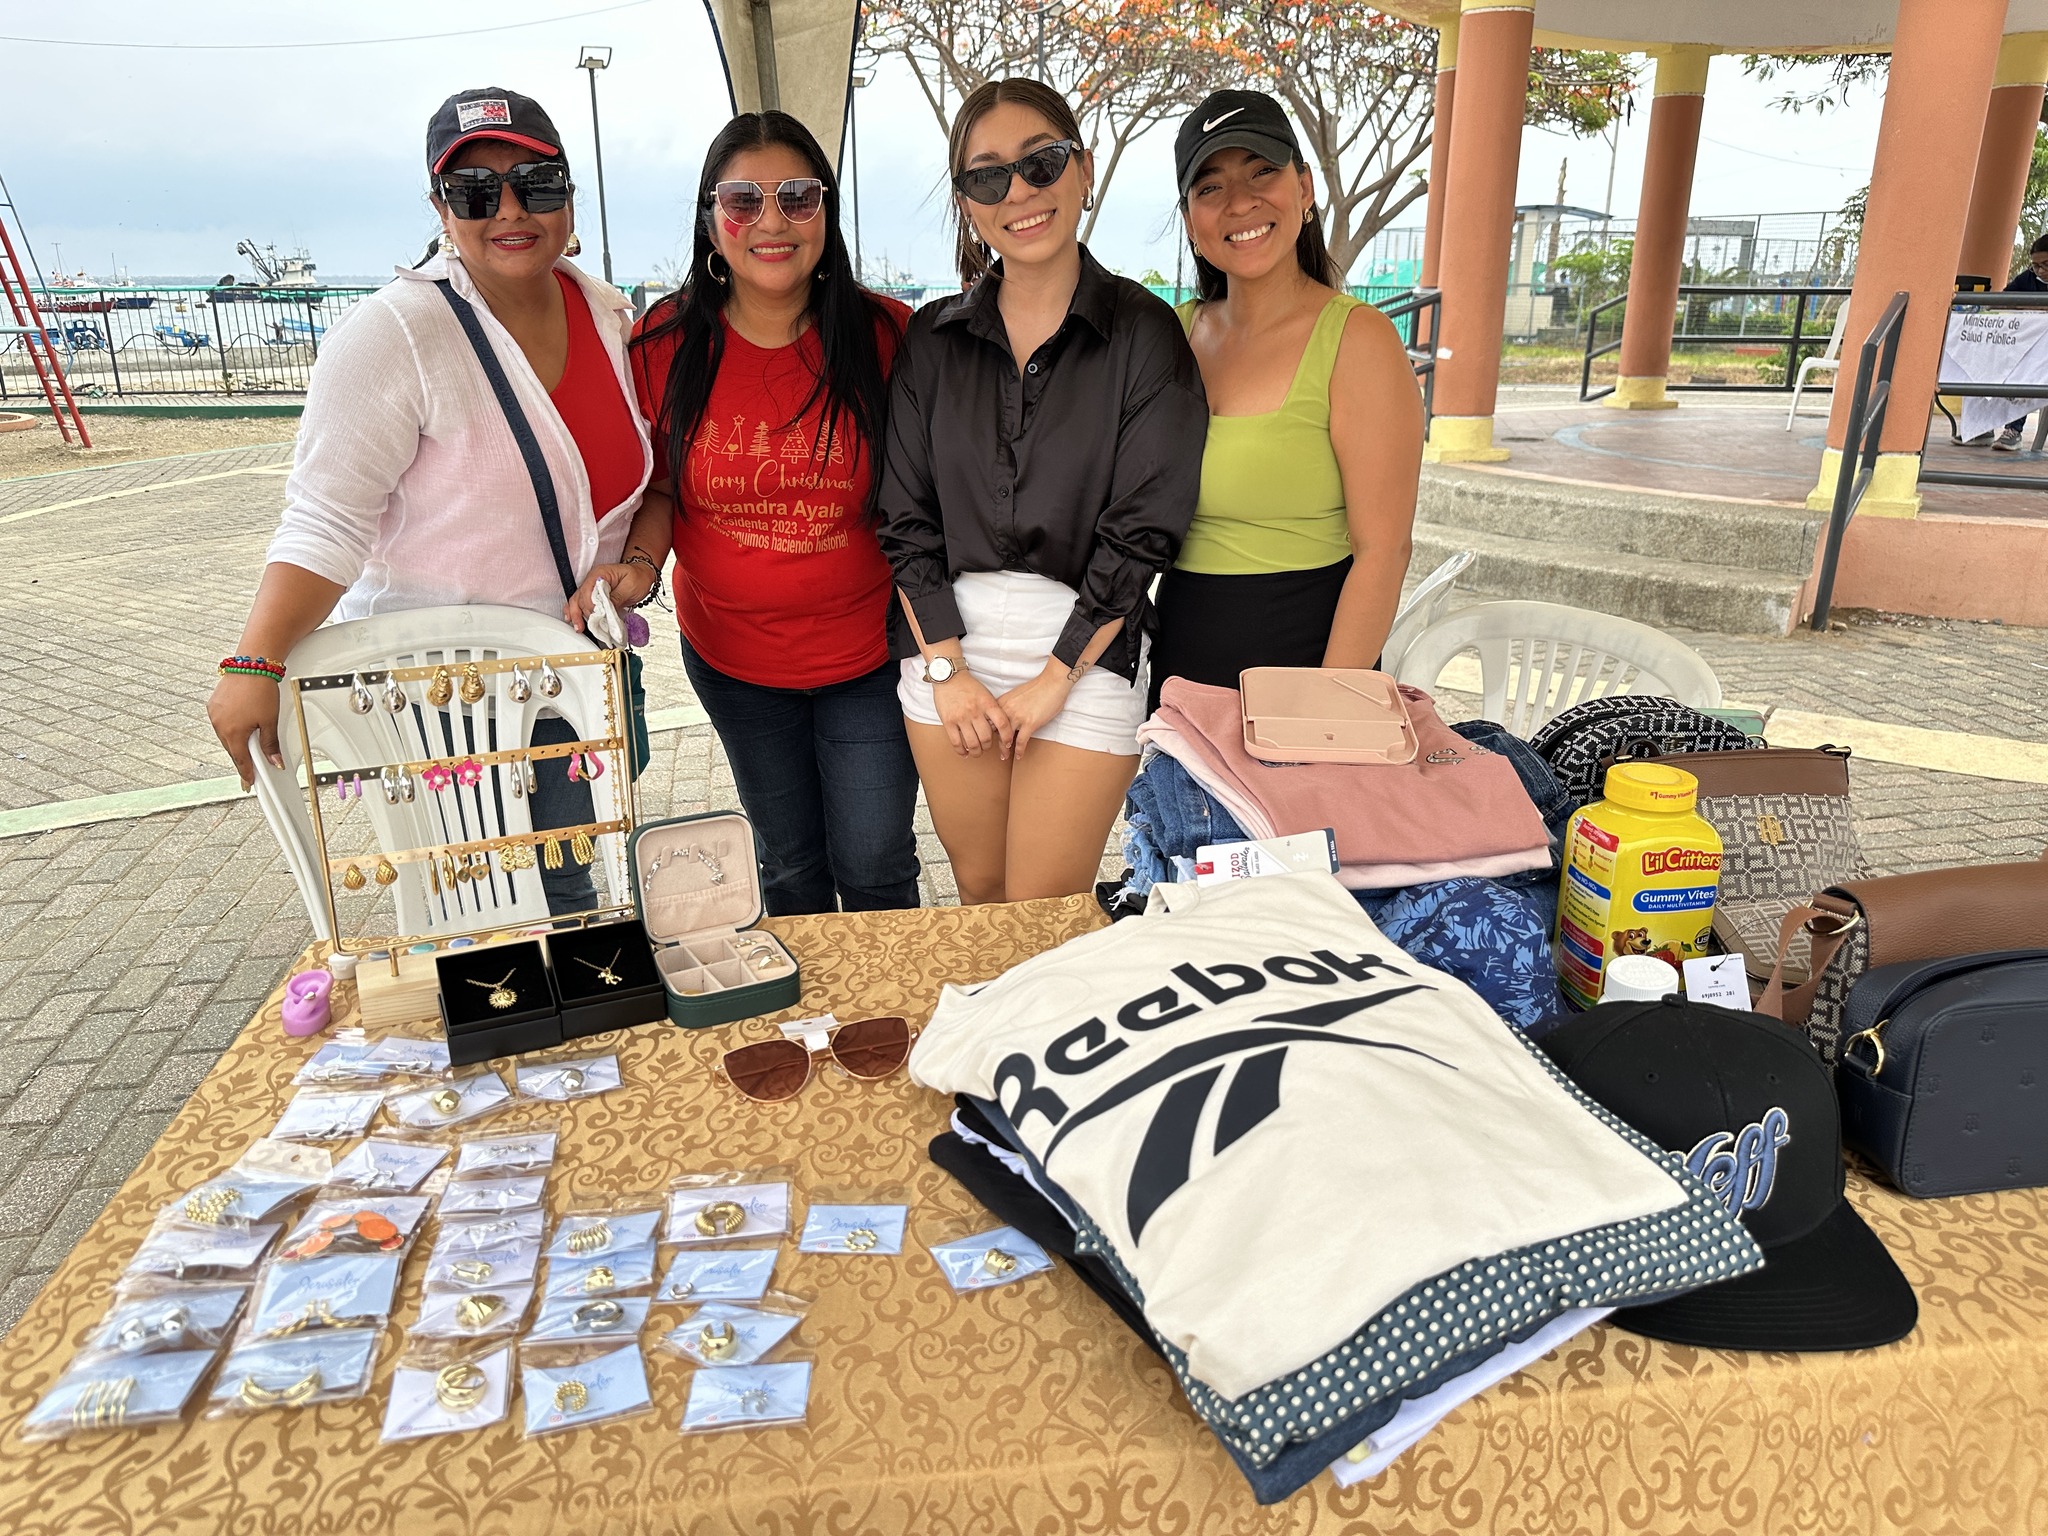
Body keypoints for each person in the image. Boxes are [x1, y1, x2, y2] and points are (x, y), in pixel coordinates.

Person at [206, 87, 661, 913]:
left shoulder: (608, 317)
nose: (510, 209)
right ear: (440, 208)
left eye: (537, 183)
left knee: (568, 890)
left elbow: (644, 486)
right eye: (475, 191)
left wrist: (634, 565)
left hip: (572, 682)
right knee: (485, 912)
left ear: (569, 194)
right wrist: (255, 661)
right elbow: (326, 518)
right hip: (451, 698)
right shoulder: (397, 333)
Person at [878, 78, 1207, 905]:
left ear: (1083, 170)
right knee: (982, 893)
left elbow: (1143, 530)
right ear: (967, 203)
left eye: (1041, 162)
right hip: (949, 653)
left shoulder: (1144, 332)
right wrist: (948, 669)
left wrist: (1057, 675)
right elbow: (906, 521)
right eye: (988, 176)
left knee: (1042, 908)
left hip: (1086, 654)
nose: (1019, 191)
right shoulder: (932, 338)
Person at [627, 112, 921, 915]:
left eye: (797, 197)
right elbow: (659, 489)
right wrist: (639, 567)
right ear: (710, 221)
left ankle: (893, 1000)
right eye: (742, 201)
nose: (771, 222)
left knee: (875, 862)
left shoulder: (887, 336)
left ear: (825, 210)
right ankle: (805, 1000)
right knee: (789, 868)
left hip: (869, 658)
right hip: (733, 662)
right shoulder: (661, 345)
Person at [1151, 90, 1422, 708]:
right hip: (1180, 666)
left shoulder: (1358, 339)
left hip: (1309, 662)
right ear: (1190, 219)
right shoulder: (1173, 333)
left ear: (1303, 188)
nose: (1240, 202)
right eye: (1210, 187)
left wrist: (1326, 708)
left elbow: (1384, 552)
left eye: (1262, 172)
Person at [1984, 233, 2048, 449]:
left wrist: (2030, 306)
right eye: (2035, 266)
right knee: (1991, 361)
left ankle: (2013, 428)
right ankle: (1983, 427)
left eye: (2046, 265)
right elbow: (2002, 301)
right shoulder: (2027, 278)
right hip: (2026, 348)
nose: (2040, 271)